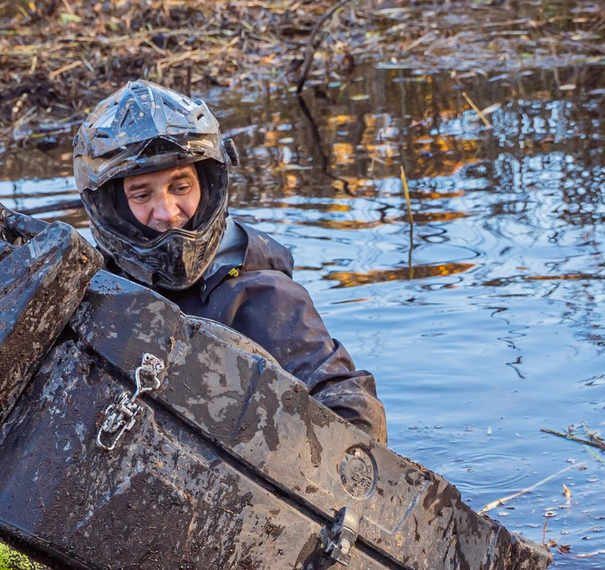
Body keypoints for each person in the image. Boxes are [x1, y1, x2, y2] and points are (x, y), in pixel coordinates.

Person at [73, 80, 387, 442]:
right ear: (111, 207)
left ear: (208, 184)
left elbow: (349, 408)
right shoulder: (94, 294)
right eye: (142, 194)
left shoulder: (264, 295)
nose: (167, 212)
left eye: (180, 187)